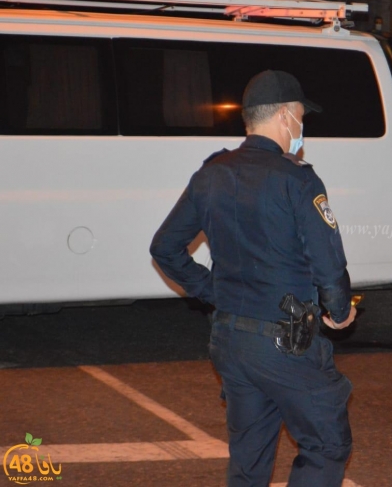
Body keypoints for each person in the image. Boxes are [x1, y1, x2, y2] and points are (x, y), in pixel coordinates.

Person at [150, 70, 357, 486]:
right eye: (301, 116)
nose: (302, 127)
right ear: (284, 116)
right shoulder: (297, 179)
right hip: (287, 344)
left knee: (249, 461)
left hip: (230, 340)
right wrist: (339, 310)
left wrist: (213, 291)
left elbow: (165, 248)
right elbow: (328, 262)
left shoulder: (211, 174)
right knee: (327, 445)